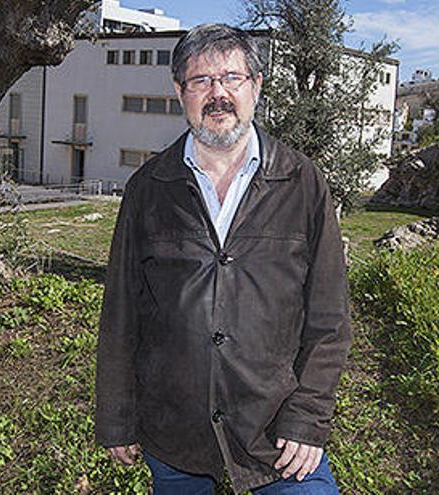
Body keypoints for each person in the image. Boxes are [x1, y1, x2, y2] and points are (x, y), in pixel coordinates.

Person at [95, 23, 351, 494]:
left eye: (232, 78)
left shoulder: (303, 182)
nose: (218, 94)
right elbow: (121, 314)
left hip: (275, 433)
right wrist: (116, 417)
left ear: (255, 85)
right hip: (174, 435)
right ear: (179, 92)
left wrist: (308, 417)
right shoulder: (148, 189)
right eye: (201, 81)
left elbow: (329, 318)